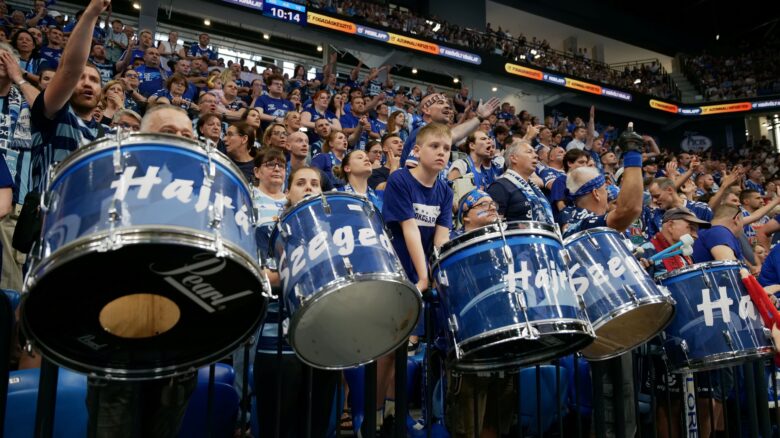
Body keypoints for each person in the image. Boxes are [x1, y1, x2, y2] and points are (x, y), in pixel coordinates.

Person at [85, 105, 198, 438]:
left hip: (180, 341)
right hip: (118, 336)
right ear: (142, 137)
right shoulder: (111, 177)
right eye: (168, 132)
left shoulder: (205, 192)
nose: (180, 140)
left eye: (187, 135)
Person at [561, 124, 645, 438]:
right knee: (615, 402)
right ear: (597, 192)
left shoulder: (573, 219)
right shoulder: (585, 219)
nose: (610, 193)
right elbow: (631, 208)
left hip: (600, 319)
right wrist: (633, 157)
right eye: (607, 188)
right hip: (605, 321)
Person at [253, 166, 340, 438]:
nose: (309, 187)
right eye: (301, 183)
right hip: (277, 342)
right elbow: (263, 275)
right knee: (279, 427)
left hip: (324, 341)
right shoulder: (267, 229)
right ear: (288, 193)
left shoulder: (335, 232)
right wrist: (309, 271)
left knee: (316, 426)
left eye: (315, 183)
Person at [382, 123, 453, 429]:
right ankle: (372, 416)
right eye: (434, 146)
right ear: (417, 150)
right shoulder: (400, 179)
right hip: (396, 271)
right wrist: (423, 278)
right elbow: (409, 229)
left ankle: (393, 416)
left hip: (421, 273)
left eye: (446, 148)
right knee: (388, 350)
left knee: (406, 351)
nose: (441, 153)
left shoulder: (445, 190)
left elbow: (441, 239)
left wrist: (435, 275)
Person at [445, 190, 515, 438]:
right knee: (469, 416)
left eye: (493, 203)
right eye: (482, 205)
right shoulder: (451, 245)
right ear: (465, 216)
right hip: (469, 341)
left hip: (504, 337)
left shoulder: (506, 242)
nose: (492, 207)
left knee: (501, 410)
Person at [487, 141, 553, 223]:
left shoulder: (533, 187)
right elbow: (494, 225)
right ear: (514, 158)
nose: (536, 155)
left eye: (535, 152)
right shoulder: (499, 186)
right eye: (529, 152)